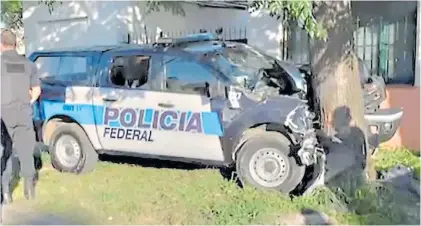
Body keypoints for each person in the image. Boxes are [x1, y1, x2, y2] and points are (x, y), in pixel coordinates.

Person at [1, 29, 41, 203]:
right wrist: (28, 103)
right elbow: (37, 91)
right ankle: (29, 189)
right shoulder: (28, 64)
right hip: (24, 113)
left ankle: (6, 193)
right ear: (15, 44)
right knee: (26, 152)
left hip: (4, 116)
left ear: (1, 45)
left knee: (6, 152)